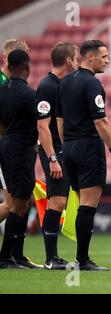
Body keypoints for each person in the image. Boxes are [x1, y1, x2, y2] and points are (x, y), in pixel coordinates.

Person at [56, 40, 111, 271]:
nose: (107, 60)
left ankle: (81, 258)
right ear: (90, 57)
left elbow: (60, 121)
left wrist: (67, 146)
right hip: (88, 148)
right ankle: (83, 260)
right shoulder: (92, 84)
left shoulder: (64, 83)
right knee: (87, 205)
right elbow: (100, 120)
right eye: (104, 56)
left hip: (70, 148)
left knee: (81, 202)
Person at [36, 42, 79, 270]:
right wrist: (52, 158)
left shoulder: (61, 85)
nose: (79, 61)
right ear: (69, 61)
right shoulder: (47, 86)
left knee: (61, 200)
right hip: (52, 150)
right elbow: (42, 127)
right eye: (76, 57)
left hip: (63, 149)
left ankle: (54, 257)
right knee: (57, 200)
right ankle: (51, 259)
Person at [0, 50, 41, 269]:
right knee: (19, 203)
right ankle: (6, 256)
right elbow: (40, 125)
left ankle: (17, 255)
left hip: (6, 146)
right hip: (22, 149)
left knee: (22, 201)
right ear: (27, 67)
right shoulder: (29, 94)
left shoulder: (2, 91)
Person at [0, 39, 30, 224]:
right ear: (5, 58)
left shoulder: (13, 85)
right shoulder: (3, 85)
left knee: (16, 203)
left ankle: (12, 252)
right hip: (4, 148)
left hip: (11, 149)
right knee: (11, 204)